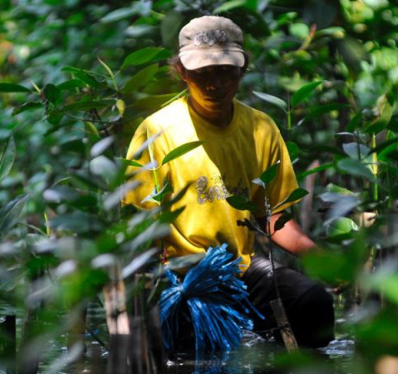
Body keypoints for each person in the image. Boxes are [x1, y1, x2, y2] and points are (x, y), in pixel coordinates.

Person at [122, 15, 334, 348]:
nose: (214, 84)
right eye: (201, 74)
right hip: (181, 274)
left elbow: (274, 215)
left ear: (242, 69)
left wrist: (322, 258)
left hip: (239, 269)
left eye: (225, 72)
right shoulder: (157, 131)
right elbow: (140, 224)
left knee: (311, 302)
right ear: (181, 72)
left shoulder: (260, 128)